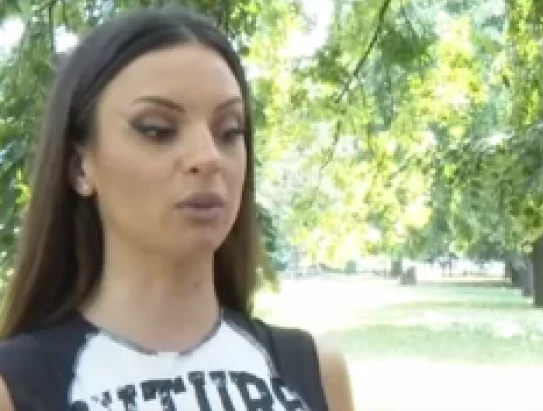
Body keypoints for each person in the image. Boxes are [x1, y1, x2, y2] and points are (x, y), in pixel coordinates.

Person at [0, 6, 354, 411]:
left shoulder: (316, 372)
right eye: (158, 130)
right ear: (79, 167)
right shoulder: (17, 387)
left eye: (229, 131)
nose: (208, 157)